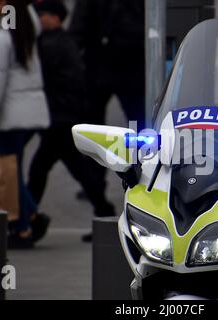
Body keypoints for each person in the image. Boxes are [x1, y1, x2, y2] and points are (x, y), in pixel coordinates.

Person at [27, 0, 116, 237]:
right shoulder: (61, 42)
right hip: (64, 118)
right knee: (77, 171)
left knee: (41, 170)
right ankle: (105, 214)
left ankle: (28, 220)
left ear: (56, 17)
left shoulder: (52, 45)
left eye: (43, 14)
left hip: (59, 119)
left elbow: (51, 83)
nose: (40, 19)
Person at [0, 0, 50, 249]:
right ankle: (30, 218)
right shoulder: (25, 32)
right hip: (28, 115)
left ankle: (25, 225)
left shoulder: (1, 40)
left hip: (9, 118)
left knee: (9, 172)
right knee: (13, 169)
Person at [68, 0, 145, 216]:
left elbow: (78, 29)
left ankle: (96, 183)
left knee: (95, 129)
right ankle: (139, 174)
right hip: (126, 65)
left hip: (103, 65)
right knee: (136, 124)